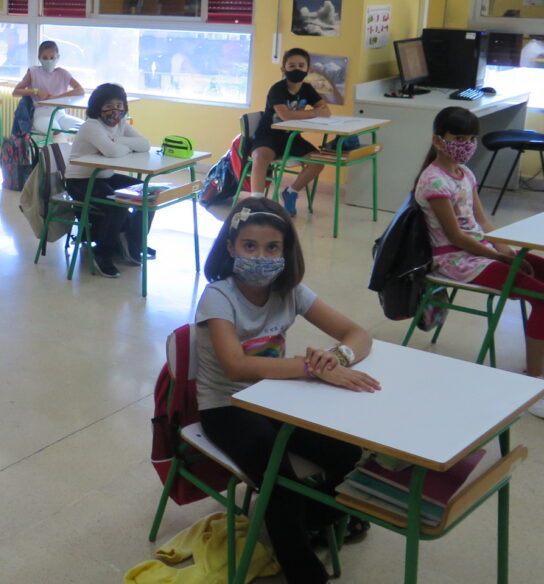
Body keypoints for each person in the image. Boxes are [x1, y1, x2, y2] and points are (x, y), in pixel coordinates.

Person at [196, 197, 380, 584]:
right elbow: (236, 366)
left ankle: (313, 520)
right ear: (230, 247)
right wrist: (312, 369)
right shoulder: (218, 296)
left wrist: (337, 358)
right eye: (249, 246)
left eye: (272, 248)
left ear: (285, 252)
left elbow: (357, 334)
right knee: (280, 481)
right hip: (225, 406)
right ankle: (305, 572)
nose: (260, 257)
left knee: (348, 454)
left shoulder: (291, 291)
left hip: (276, 398)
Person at [413, 106, 544, 418]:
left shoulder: (465, 174)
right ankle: (534, 380)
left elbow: (483, 222)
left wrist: (508, 251)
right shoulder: (434, 182)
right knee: (540, 296)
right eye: (459, 138)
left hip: (480, 250)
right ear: (438, 140)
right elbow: (456, 237)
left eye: (472, 138)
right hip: (455, 259)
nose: (467, 145)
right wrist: (500, 257)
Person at [63, 83, 151, 278]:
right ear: (97, 107)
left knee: (148, 194)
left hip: (104, 176)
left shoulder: (121, 125)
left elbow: (144, 144)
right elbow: (112, 153)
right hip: (79, 180)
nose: (115, 111)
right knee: (117, 204)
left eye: (119, 106)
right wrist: (120, 146)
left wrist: (117, 141)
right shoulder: (92, 126)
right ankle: (102, 254)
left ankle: (133, 243)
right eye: (109, 106)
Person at [247, 48, 328, 216]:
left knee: (318, 161)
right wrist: (313, 113)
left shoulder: (307, 88)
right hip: (268, 135)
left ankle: (291, 192)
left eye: (301, 65)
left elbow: (326, 111)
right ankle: (257, 202)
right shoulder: (277, 89)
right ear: (283, 69)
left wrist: (310, 112)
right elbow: (285, 115)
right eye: (291, 66)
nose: (296, 69)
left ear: (308, 69)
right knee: (260, 157)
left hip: (291, 137)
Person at [12, 40, 84, 135]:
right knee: (55, 131)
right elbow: (16, 92)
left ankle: (64, 144)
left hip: (60, 114)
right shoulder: (33, 72)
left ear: (57, 57)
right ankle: (58, 144)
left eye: (52, 58)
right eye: (45, 58)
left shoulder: (62, 73)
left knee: (85, 127)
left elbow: (80, 90)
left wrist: (55, 98)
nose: (49, 61)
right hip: (41, 114)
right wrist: (36, 91)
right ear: (39, 58)